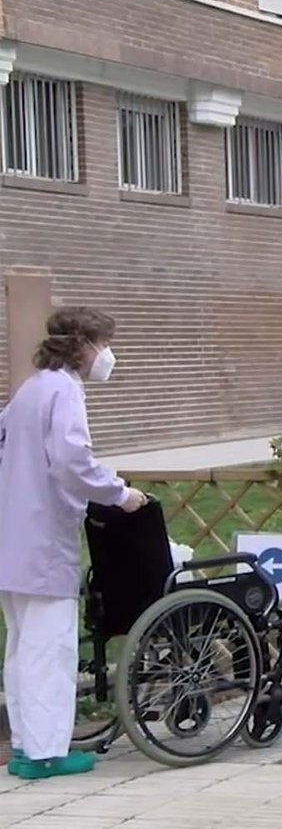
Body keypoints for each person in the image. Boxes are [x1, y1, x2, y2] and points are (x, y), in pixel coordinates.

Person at [0, 307, 148, 780]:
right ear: (83, 344)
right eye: (104, 343)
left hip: (14, 537)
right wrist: (120, 494)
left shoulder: (30, 388)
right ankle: (47, 753)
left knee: (23, 649)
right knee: (50, 649)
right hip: (43, 543)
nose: (108, 354)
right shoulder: (63, 390)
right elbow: (72, 460)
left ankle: (26, 746)